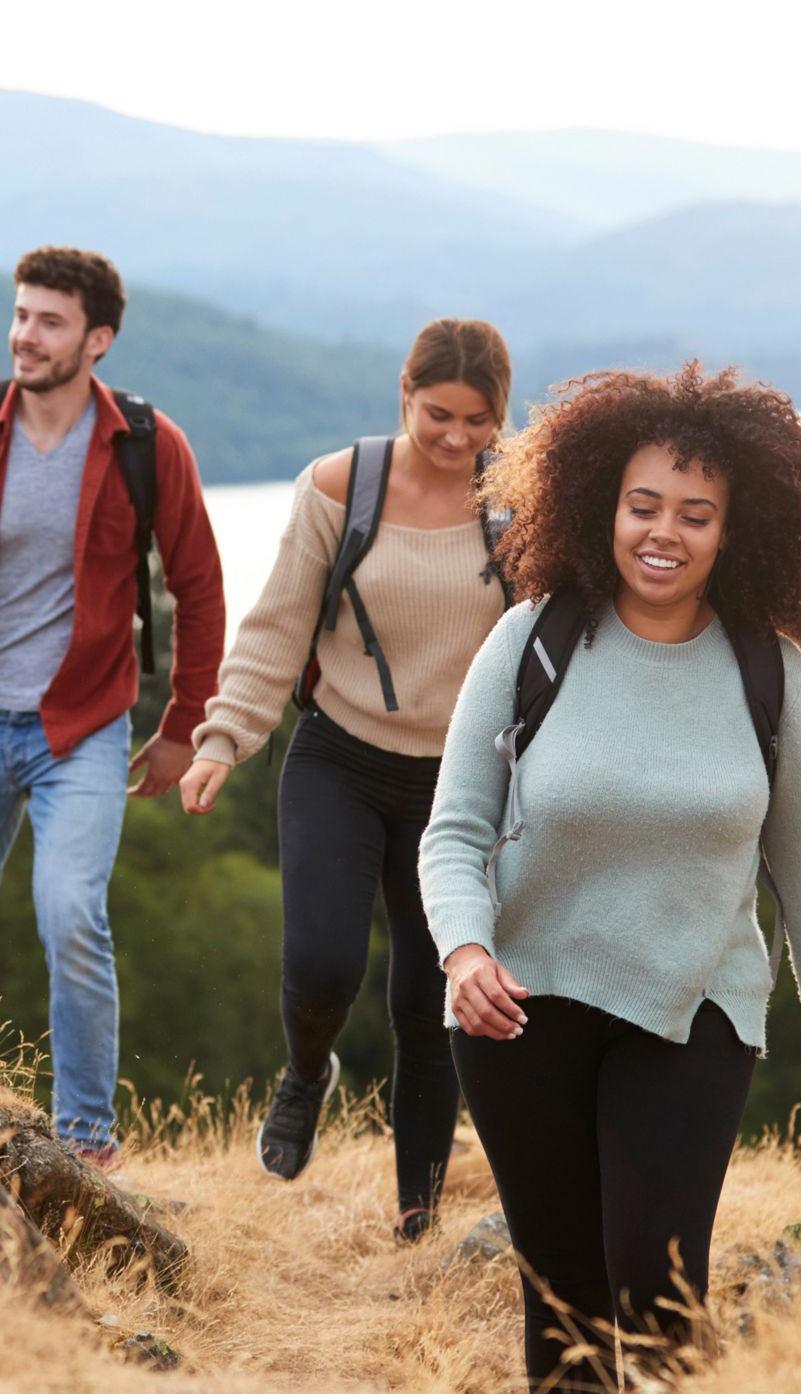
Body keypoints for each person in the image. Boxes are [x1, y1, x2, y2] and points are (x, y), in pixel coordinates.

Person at [420, 363, 801, 1390]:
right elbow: (453, 831)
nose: (662, 532)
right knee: (562, 1307)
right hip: (521, 1008)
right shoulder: (530, 639)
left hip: (696, 1009)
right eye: (642, 505)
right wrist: (465, 949)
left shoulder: (771, 673)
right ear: (600, 505)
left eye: (694, 514)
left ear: (732, 530)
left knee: (660, 1299)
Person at [0, 248, 224, 1162]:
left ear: (98, 340)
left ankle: (85, 1143)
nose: (27, 335)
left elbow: (201, 588)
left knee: (72, 916)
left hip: (82, 729)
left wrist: (187, 726)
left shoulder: (148, 446)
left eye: (51, 321)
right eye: (22, 315)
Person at [180, 318, 512, 1240]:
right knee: (324, 961)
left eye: (477, 421)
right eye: (438, 414)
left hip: (459, 784)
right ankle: (305, 1075)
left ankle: (418, 1211)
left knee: (428, 997)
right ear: (403, 391)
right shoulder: (340, 486)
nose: (455, 438)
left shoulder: (519, 499)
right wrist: (222, 740)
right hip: (339, 755)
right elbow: (277, 624)